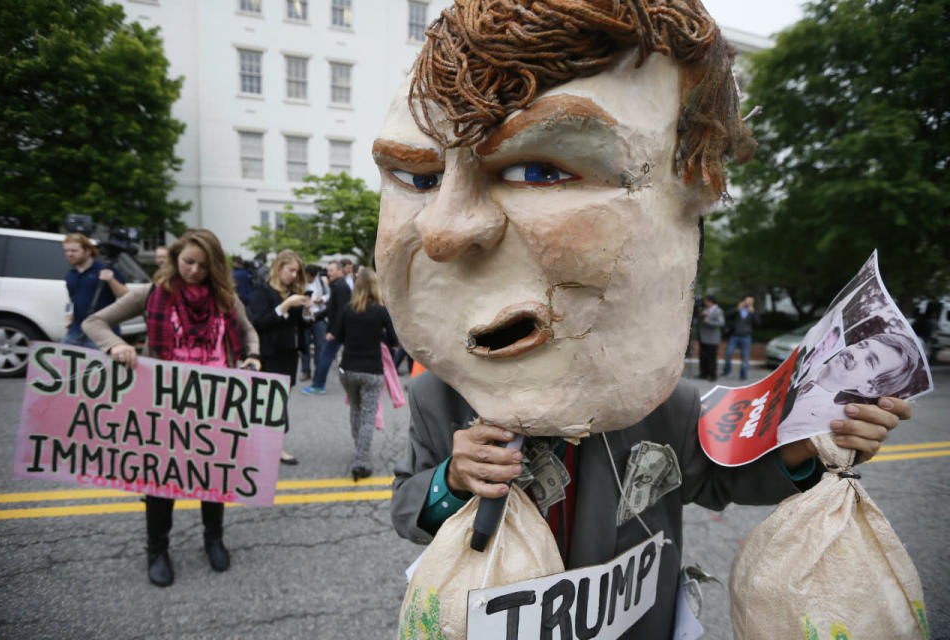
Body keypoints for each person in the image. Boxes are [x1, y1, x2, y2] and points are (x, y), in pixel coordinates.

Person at [374, 1, 913, 637]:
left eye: (540, 171)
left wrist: (808, 442)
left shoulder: (669, 406)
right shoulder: (440, 398)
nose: (442, 231)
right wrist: (452, 479)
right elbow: (409, 507)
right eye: (419, 175)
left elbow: (728, 478)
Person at [82, 229, 261, 588]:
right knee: (161, 482)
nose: (194, 270)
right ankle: (157, 549)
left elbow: (248, 333)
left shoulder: (226, 298)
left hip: (215, 405)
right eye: (188, 262)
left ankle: (213, 539)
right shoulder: (152, 294)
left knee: (214, 477)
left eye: (203, 265)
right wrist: (116, 346)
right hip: (163, 406)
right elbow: (94, 322)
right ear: (175, 259)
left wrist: (253, 356)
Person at [777, 333, 921, 447]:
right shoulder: (805, 362)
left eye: (870, 361)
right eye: (861, 345)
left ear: (869, 388)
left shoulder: (821, 423)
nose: (855, 353)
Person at [329, 268, 397, 481]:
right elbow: (394, 341)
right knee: (368, 415)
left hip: (348, 369)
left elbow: (336, 336)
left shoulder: (348, 309)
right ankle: (361, 460)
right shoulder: (381, 311)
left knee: (356, 410)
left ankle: (360, 449)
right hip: (371, 370)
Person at [247, 249, 309, 465]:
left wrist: (309, 310)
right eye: (291, 270)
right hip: (269, 355)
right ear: (278, 268)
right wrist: (286, 305)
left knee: (279, 403)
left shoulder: (290, 293)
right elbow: (259, 322)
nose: (294, 276)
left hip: (289, 355)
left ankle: (272, 446)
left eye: (297, 272)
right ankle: (270, 448)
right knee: (267, 403)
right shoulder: (261, 291)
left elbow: (302, 325)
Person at [62, 233, 128, 349]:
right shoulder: (70, 275)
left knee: (100, 367)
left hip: (102, 332)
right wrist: (68, 319)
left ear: (87, 251)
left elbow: (124, 294)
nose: (69, 254)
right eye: (66, 251)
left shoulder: (105, 269)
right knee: (63, 363)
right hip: (75, 331)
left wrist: (111, 280)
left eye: (74, 251)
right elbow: (71, 301)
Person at [301, 261, 351, 395]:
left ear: (340, 271)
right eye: (328, 271)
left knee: (325, 356)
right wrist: (316, 317)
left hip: (337, 331)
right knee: (329, 356)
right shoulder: (337, 286)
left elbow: (342, 311)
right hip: (337, 329)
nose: (329, 273)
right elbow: (330, 309)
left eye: (332, 270)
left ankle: (318, 385)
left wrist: (334, 332)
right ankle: (319, 384)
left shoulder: (340, 287)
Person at [300, 265, 330, 382]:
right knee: (305, 345)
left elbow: (328, 295)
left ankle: (318, 371)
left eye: (311, 277)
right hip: (305, 315)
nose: (309, 279)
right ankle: (305, 370)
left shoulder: (322, 281)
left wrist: (321, 299)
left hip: (318, 315)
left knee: (320, 345)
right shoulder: (301, 282)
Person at [722, 295, 759, 380]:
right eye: (747, 301)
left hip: (746, 337)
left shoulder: (753, 312)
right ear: (744, 301)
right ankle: (727, 371)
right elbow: (726, 315)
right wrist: (737, 309)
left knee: (745, 357)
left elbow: (758, 323)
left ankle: (743, 375)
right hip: (734, 336)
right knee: (728, 353)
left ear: (753, 303)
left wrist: (753, 314)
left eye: (750, 301)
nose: (748, 303)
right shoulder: (738, 309)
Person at [698, 295, 725, 381]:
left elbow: (721, 323)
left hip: (712, 339)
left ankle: (713, 375)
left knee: (711, 358)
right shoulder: (706, 310)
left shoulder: (718, 311)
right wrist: (702, 315)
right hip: (703, 337)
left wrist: (708, 321)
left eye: (706, 301)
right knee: (703, 356)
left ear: (710, 301)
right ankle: (703, 374)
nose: (704, 302)